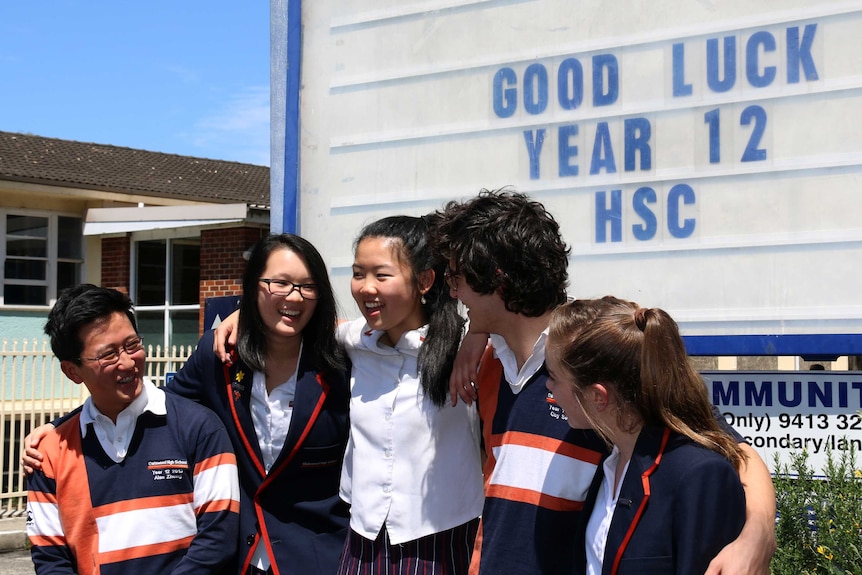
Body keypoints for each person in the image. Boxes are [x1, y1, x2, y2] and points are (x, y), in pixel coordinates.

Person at [429, 189, 777, 575]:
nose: (453, 291)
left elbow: (729, 449)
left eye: (457, 276)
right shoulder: (489, 359)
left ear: (498, 280)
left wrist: (758, 536)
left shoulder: (593, 353)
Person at [24, 234, 352, 575]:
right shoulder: (221, 355)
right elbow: (149, 400)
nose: (294, 296)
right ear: (254, 286)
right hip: (244, 558)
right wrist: (60, 428)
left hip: (319, 555)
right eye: (280, 283)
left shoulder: (343, 363)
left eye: (307, 286)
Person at [214, 216, 485, 574]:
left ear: (424, 280)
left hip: (439, 541)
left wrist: (479, 333)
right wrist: (244, 314)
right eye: (359, 274)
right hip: (362, 541)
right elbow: (300, 320)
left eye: (381, 275)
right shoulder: (355, 342)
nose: (366, 288)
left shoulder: (465, 353)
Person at [26, 284, 240, 575]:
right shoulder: (49, 452)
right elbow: (51, 559)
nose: (127, 362)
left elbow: (218, 538)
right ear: (72, 371)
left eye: (132, 345)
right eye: (108, 355)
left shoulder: (200, 428)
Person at [545, 297, 747, 574]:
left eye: (554, 376)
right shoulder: (610, 458)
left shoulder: (699, 476)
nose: (548, 387)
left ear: (597, 396)